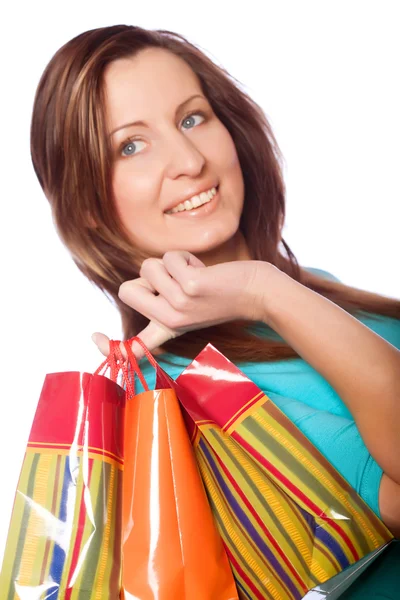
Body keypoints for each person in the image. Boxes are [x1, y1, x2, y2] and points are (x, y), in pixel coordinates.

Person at [30, 23, 399, 589]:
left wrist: (272, 292)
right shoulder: (190, 395)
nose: (187, 160)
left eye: (191, 118)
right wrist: (261, 289)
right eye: (131, 145)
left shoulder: (309, 292)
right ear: (89, 208)